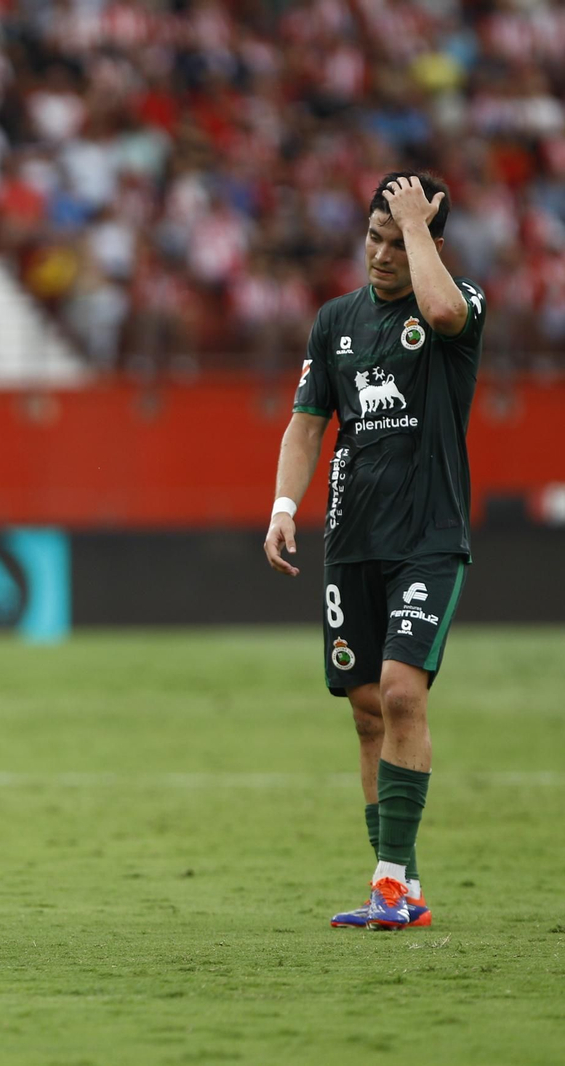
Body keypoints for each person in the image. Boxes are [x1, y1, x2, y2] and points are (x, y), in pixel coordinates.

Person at [262, 173, 486, 931]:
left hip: (428, 537)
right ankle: (403, 884)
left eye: (400, 241)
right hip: (352, 539)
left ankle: (390, 885)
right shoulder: (335, 322)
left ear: (429, 243)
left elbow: (446, 307)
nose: (383, 255)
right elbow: (305, 426)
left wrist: (420, 230)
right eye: (375, 238)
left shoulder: (457, 307)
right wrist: (284, 507)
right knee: (365, 714)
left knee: (399, 692)